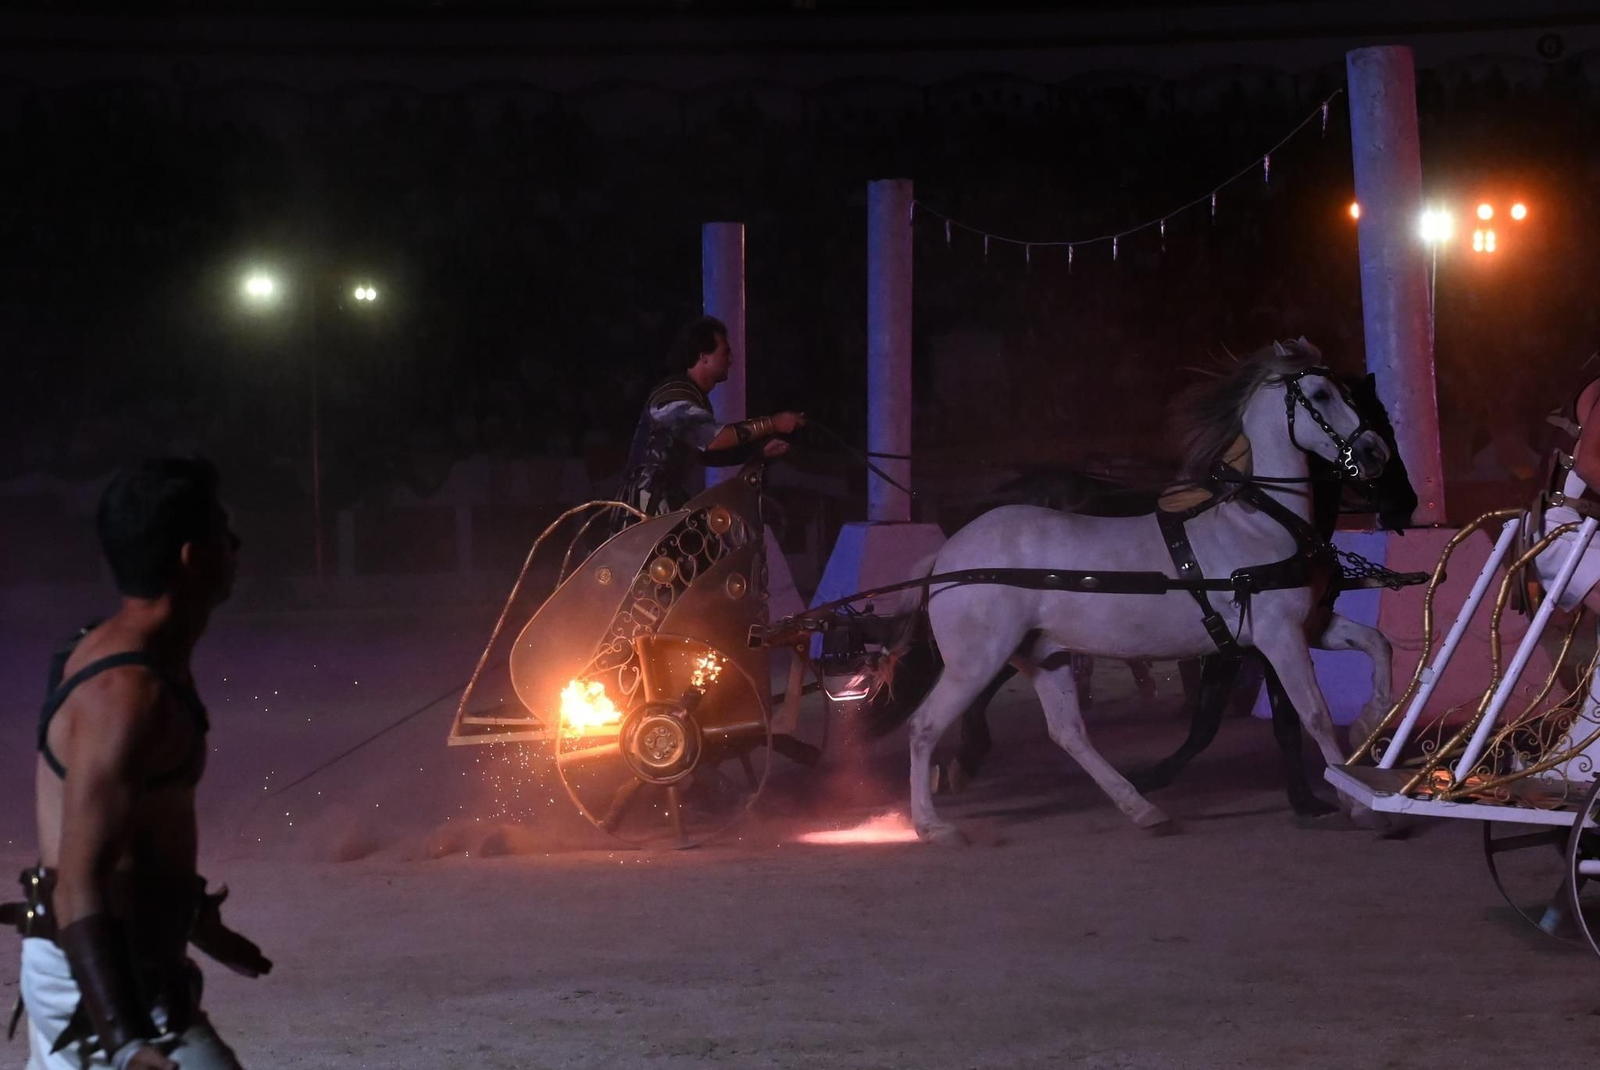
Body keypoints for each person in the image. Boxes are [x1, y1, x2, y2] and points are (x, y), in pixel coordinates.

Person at [5, 457, 269, 1070]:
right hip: (99, 976)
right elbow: (80, 877)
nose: (236, 545)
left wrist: (192, 915)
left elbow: (133, 834)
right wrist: (126, 1042)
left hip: (109, 956)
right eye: (221, 532)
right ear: (190, 556)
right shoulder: (124, 696)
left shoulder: (135, 655)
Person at [613, 316, 805, 519]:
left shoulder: (691, 395)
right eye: (725, 352)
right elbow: (714, 440)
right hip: (647, 505)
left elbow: (708, 454)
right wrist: (772, 423)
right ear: (704, 357)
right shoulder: (674, 395)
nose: (730, 360)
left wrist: (759, 451)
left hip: (663, 501)